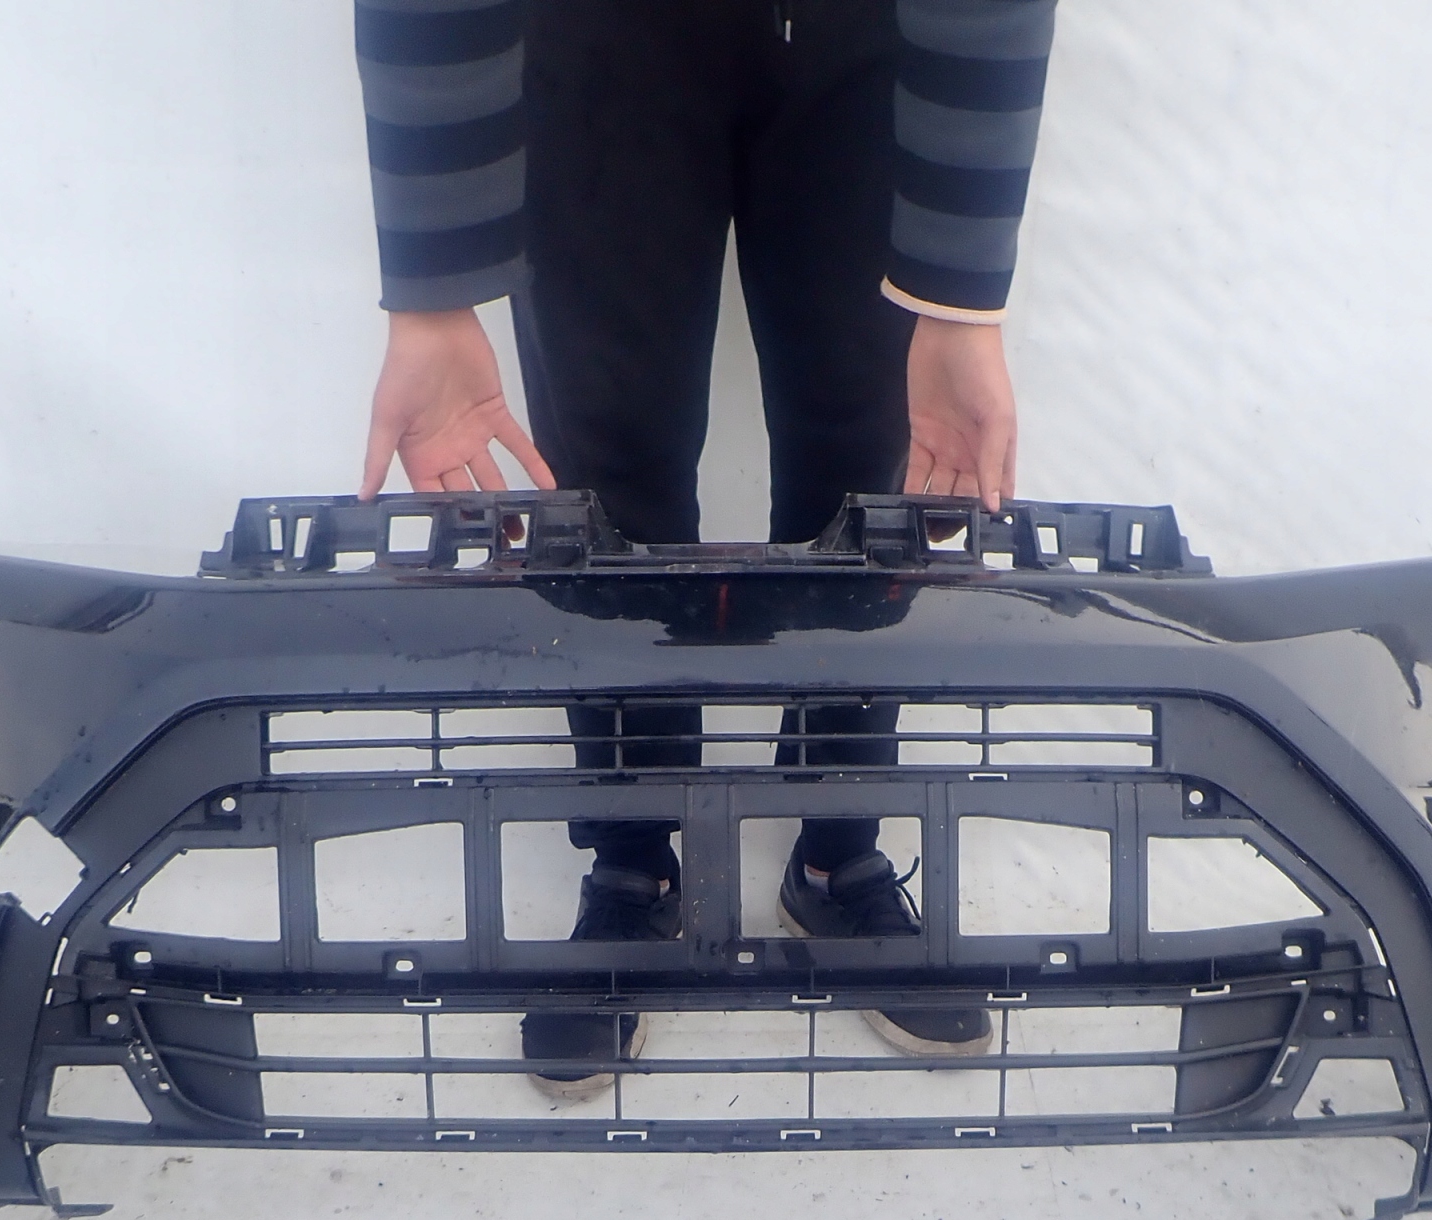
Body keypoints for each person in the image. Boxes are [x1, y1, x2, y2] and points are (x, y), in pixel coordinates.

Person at [352, 0, 1055, 1091]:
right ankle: (634, 858)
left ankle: (836, 847)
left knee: (870, 462)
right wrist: (434, 291)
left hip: (860, 38)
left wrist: (961, 297)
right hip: (599, 39)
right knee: (606, 471)